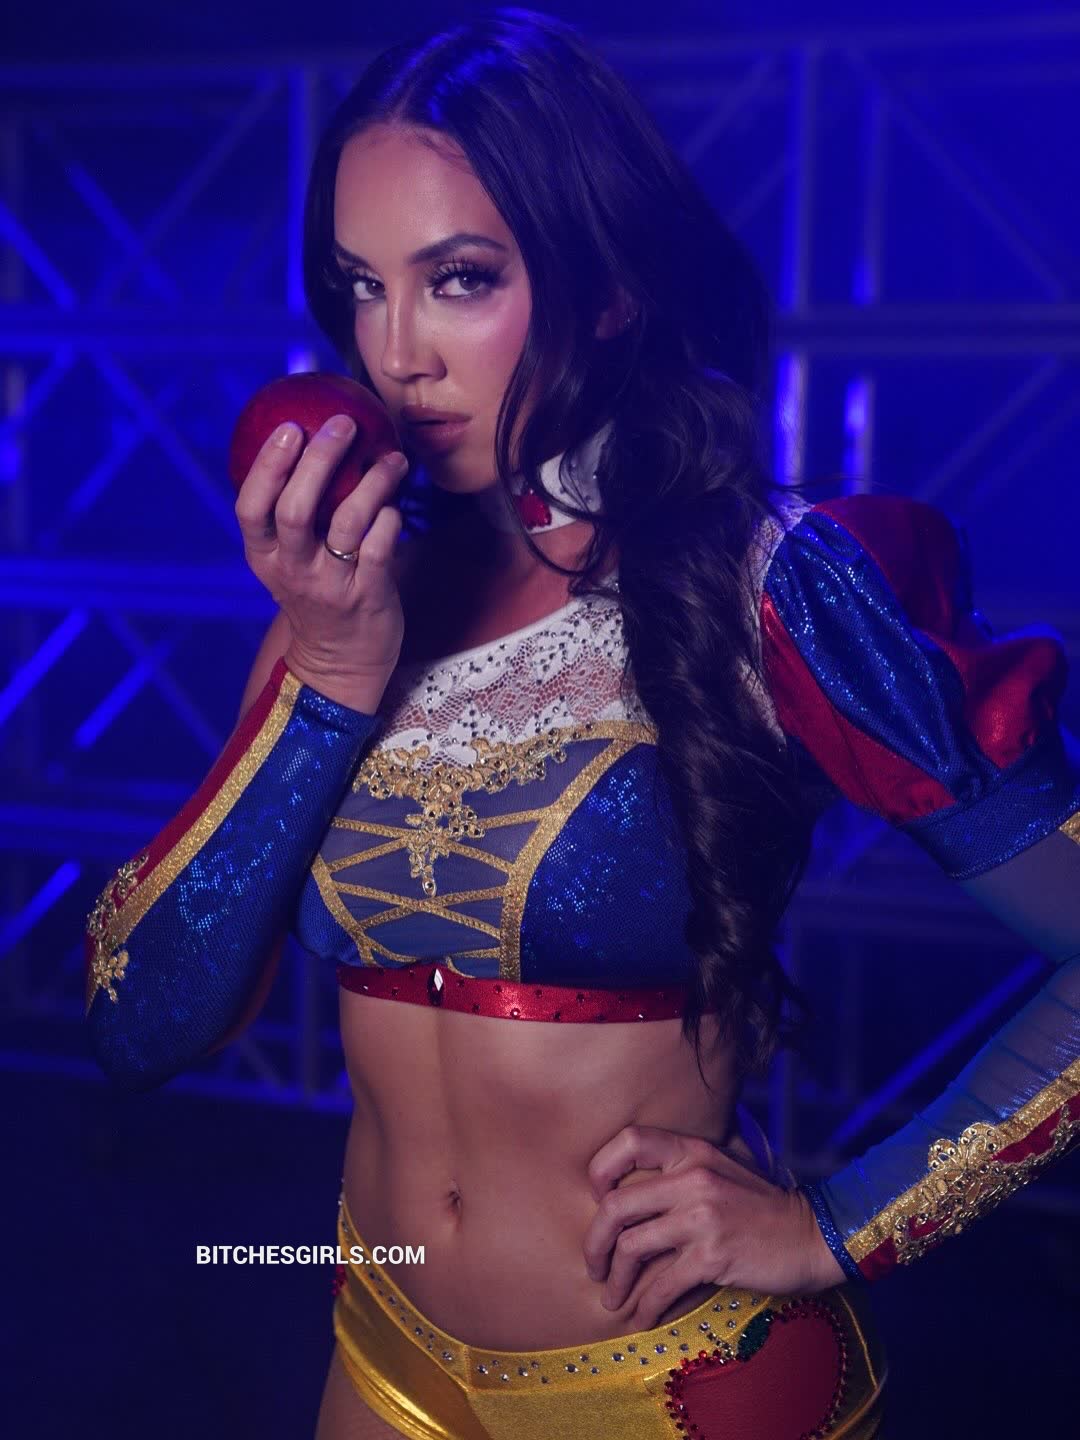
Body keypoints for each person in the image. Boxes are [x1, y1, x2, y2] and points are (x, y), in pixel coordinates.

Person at [84, 9, 1080, 1439]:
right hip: (383, 1351)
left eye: (461, 279)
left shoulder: (772, 587)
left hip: (672, 1385)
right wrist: (333, 674)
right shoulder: (342, 606)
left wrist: (838, 1226)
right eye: (362, 288)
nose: (397, 354)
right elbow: (140, 1024)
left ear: (608, 290)